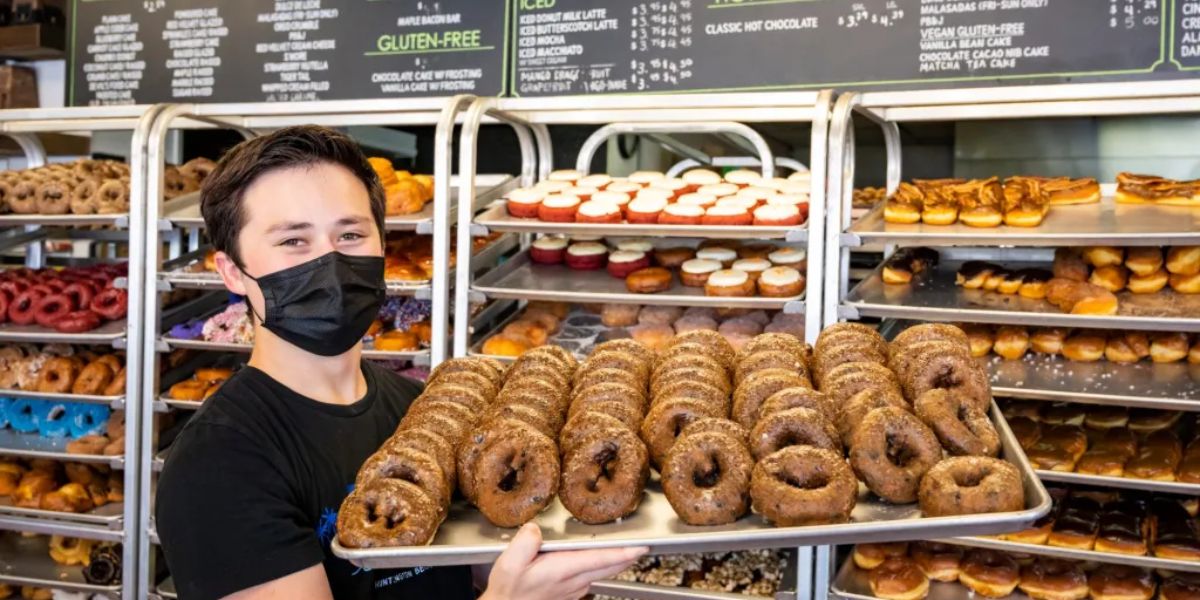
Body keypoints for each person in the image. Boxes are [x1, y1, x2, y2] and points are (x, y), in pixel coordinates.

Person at [156, 125, 646, 600]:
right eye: (293, 241)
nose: (329, 261)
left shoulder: (421, 411)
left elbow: (466, 567)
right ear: (232, 272)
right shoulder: (219, 464)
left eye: (350, 235)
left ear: (383, 246)